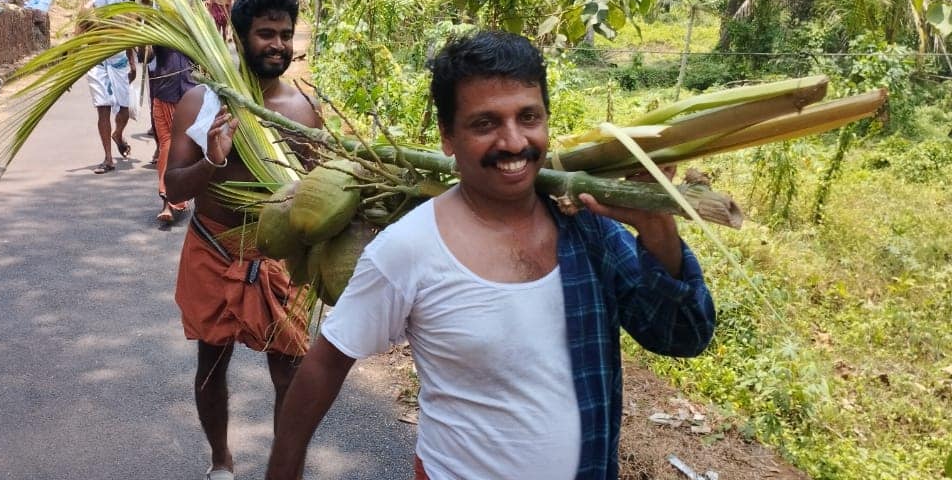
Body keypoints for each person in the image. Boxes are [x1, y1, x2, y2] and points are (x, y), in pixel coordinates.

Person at [265, 31, 717, 480]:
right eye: (485, 123)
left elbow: (682, 336)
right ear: (448, 137)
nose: (514, 142)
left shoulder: (589, 230)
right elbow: (326, 362)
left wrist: (656, 226)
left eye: (529, 117)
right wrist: (283, 469)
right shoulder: (409, 248)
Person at [164, 0, 320, 480]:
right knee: (211, 365)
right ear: (239, 35)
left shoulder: (302, 109)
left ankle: (284, 467)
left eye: (286, 36)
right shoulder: (201, 103)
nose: (278, 45)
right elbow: (174, 185)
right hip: (214, 246)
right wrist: (213, 158)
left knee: (289, 371)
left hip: (281, 257)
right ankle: (221, 463)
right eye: (266, 34)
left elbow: (320, 187)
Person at [85, 0, 136, 174]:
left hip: (119, 61)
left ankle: (118, 134)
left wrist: (133, 62)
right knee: (103, 109)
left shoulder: (127, 10)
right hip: (97, 62)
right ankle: (108, 157)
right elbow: (79, 37)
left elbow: (132, 36)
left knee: (124, 108)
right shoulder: (90, 12)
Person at [148, 45, 195, 222]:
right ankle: (172, 199)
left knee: (171, 145)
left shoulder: (185, 28)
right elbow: (147, 55)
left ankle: (171, 200)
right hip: (164, 93)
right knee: (169, 145)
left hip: (177, 93)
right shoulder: (170, 26)